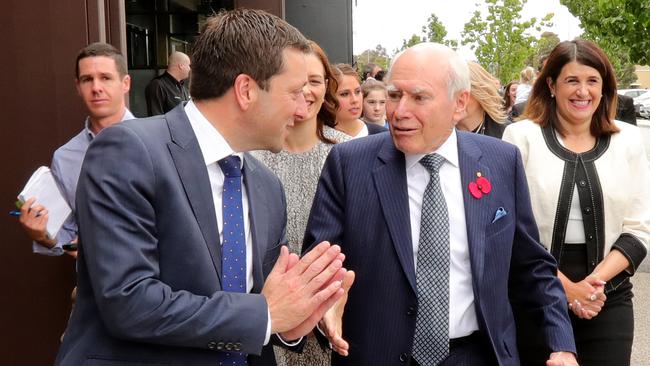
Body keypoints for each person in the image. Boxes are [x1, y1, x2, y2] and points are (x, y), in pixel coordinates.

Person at [55, 9, 348, 366]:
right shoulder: (129, 150)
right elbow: (129, 302)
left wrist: (297, 316)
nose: (306, 105)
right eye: (295, 91)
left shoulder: (267, 186)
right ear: (246, 90)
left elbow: (264, 307)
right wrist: (268, 314)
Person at [304, 42, 578, 366]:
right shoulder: (350, 164)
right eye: (394, 95)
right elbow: (320, 263)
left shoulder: (501, 161)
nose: (399, 111)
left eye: (419, 97)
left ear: (459, 103)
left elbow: (531, 266)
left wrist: (561, 344)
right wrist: (325, 305)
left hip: (478, 355)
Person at [503, 39, 649, 366]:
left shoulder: (628, 141)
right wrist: (565, 288)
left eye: (592, 81)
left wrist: (593, 286)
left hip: (607, 296)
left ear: (605, 88)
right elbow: (510, 229)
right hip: (536, 295)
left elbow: (640, 228)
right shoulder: (520, 138)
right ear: (552, 85)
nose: (583, 91)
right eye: (572, 80)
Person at [252, 40, 351, 366]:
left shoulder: (350, 155)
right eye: (296, 81)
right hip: (268, 317)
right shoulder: (250, 156)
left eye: (315, 81)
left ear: (328, 87)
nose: (306, 91)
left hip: (337, 315)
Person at [19, 42, 135, 258]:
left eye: (106, 77)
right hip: (99, 283)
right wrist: (42, 235)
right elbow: (66, 233)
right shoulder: (65, 158)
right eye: (87, 79)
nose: (96, 87)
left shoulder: (157, 141)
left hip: (158, 279)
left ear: (125, 83)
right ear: (78, 87)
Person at [332, 63, 386, 139]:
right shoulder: (317, 138)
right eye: (344, 94)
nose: (355, 100)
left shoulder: (383, 135)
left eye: (357, 92)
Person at [456, 61, 508, 138]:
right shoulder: (437, 134)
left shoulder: (506, 133)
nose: (454, 98)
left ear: (481, 93)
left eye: (461, 92)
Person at [145, 51, 191, 116]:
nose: (190, 69)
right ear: (181, 66)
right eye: (188, 65)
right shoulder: (157, 85)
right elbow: (155, 117)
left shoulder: (183, 87)